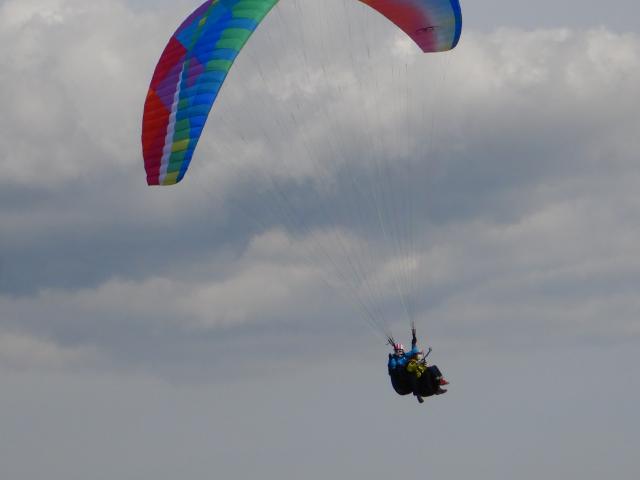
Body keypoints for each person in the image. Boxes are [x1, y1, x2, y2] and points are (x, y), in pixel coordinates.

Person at [388, 325, 449, 403]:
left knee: (430, 368)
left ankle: (438, 384)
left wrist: (413, 343)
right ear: (395, 351)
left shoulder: (405, 356)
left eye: (400, 351)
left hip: (408, 373)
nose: (399, 352)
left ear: (402, 350)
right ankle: (418, 395)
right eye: (397, 351)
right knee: (412, 375)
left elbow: (414, 351)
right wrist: (391, 361)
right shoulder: (395, 360)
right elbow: (393, 367)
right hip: (401, 382)